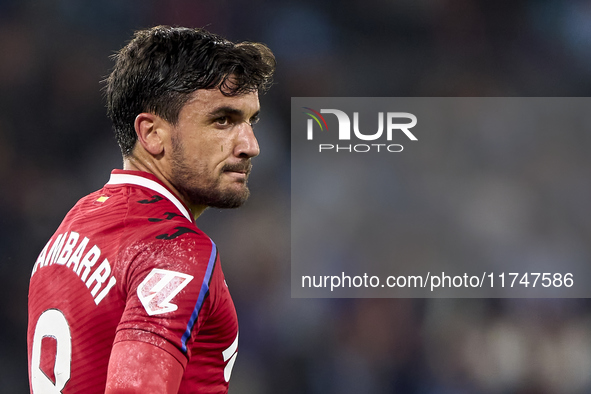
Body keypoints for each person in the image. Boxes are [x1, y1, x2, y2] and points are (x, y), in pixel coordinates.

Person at [27, 25, 275, 393]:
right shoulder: (175, 250)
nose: (250, 145)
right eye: (223, 120)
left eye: (250, 121)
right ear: (152, 133)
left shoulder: (75, 225)